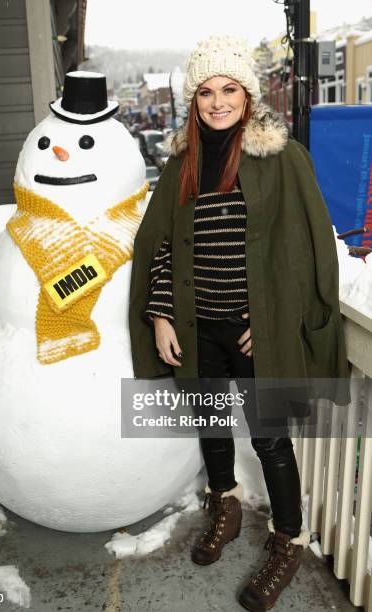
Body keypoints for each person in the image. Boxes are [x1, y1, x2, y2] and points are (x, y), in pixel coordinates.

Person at [129, 35, 350, 611]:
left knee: (271, 439)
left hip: (255, 329)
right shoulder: (181, 163)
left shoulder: (281, 157)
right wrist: (159, 314)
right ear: (193, 99)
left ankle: (288, 539)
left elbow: (306, 248)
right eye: (205, 91)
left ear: (247, 95)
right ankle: (224, 505)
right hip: (197, 326)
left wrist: (276, 317)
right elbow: (160, 247)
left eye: (229, 89)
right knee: (211, 425)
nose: (218, 101)